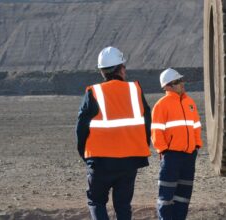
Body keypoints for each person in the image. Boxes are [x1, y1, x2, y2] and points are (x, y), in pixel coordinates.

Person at [76, 46, 151, 220]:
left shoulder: (93, 92)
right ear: (121, 69)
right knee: (123, 206)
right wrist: (140, 147)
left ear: (103, 72)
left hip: (100, 162)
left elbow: (81, 127)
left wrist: (85, 154)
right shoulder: (135, 90)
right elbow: (147, 121)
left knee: (97, 202)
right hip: (129, 161)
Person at [151, 68, 203, 220]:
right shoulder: (161, 105)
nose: (182, 83)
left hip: (189, 156)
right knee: (166, 196)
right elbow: (156, 132)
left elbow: (196, 126)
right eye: (178, 81)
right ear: (168, 86)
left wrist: (196, 146)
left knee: (183, 196)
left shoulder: (190, 102)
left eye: (181, 81)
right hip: (171, 157)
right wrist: (164, 151)